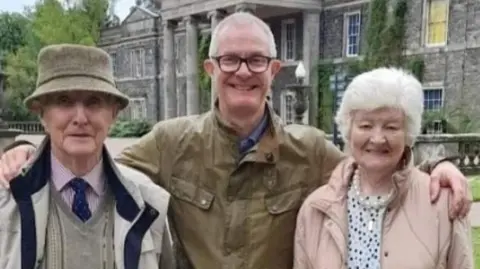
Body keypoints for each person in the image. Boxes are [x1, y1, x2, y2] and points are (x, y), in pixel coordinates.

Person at [0, 13, 471, 269]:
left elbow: (375, 168)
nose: (242, 71)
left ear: (273, 71)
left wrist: (436, 172)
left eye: (255, 60)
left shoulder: (309, 150)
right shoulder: (170, 142)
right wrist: (25, 149)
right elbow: (93, 160)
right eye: (229, 60)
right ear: (210, 70)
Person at [0, 44, 173, 269]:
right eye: (64, 101)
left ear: (113, 114)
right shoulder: (6, 200)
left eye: (94, 102)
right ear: (42, 114)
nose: (80, 118)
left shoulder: (149, 204)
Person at [293, 68, 473, 269]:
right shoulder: (315, 209)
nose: (377, 138)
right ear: (349, 131)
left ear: (408, 134)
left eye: (391, 127)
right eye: (366, 126)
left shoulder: (443, 203)